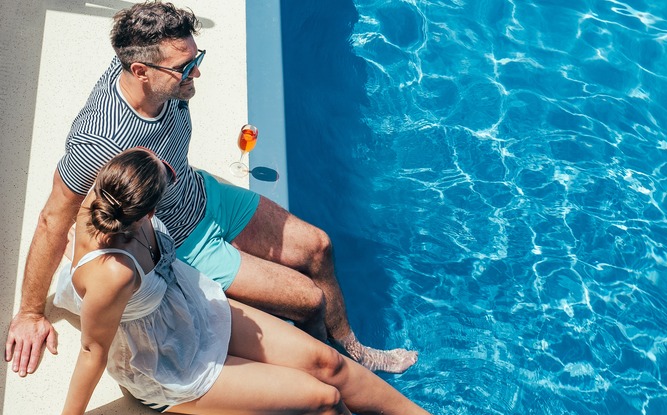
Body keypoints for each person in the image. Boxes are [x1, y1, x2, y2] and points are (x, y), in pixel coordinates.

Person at [5, 1, 416, 376]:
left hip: (203, 193)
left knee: (319, 246)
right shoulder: (99, 144)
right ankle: (334, 369)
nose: (196, 72)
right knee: (309, 299)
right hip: (182, 243)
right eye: (184, 68)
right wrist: (27, 312)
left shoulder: (156, 75)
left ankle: (352, 348)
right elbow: (51, 219)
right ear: (139, 72)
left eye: (195, 58)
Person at [34, 148, 475, 415]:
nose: (169, 169)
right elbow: (93, 348)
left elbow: (155, 164)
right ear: (149, 211)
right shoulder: (113, 273)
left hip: (193, 309)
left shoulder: (114, 189)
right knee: (323, 398)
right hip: (167, 363)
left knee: (327, 362)